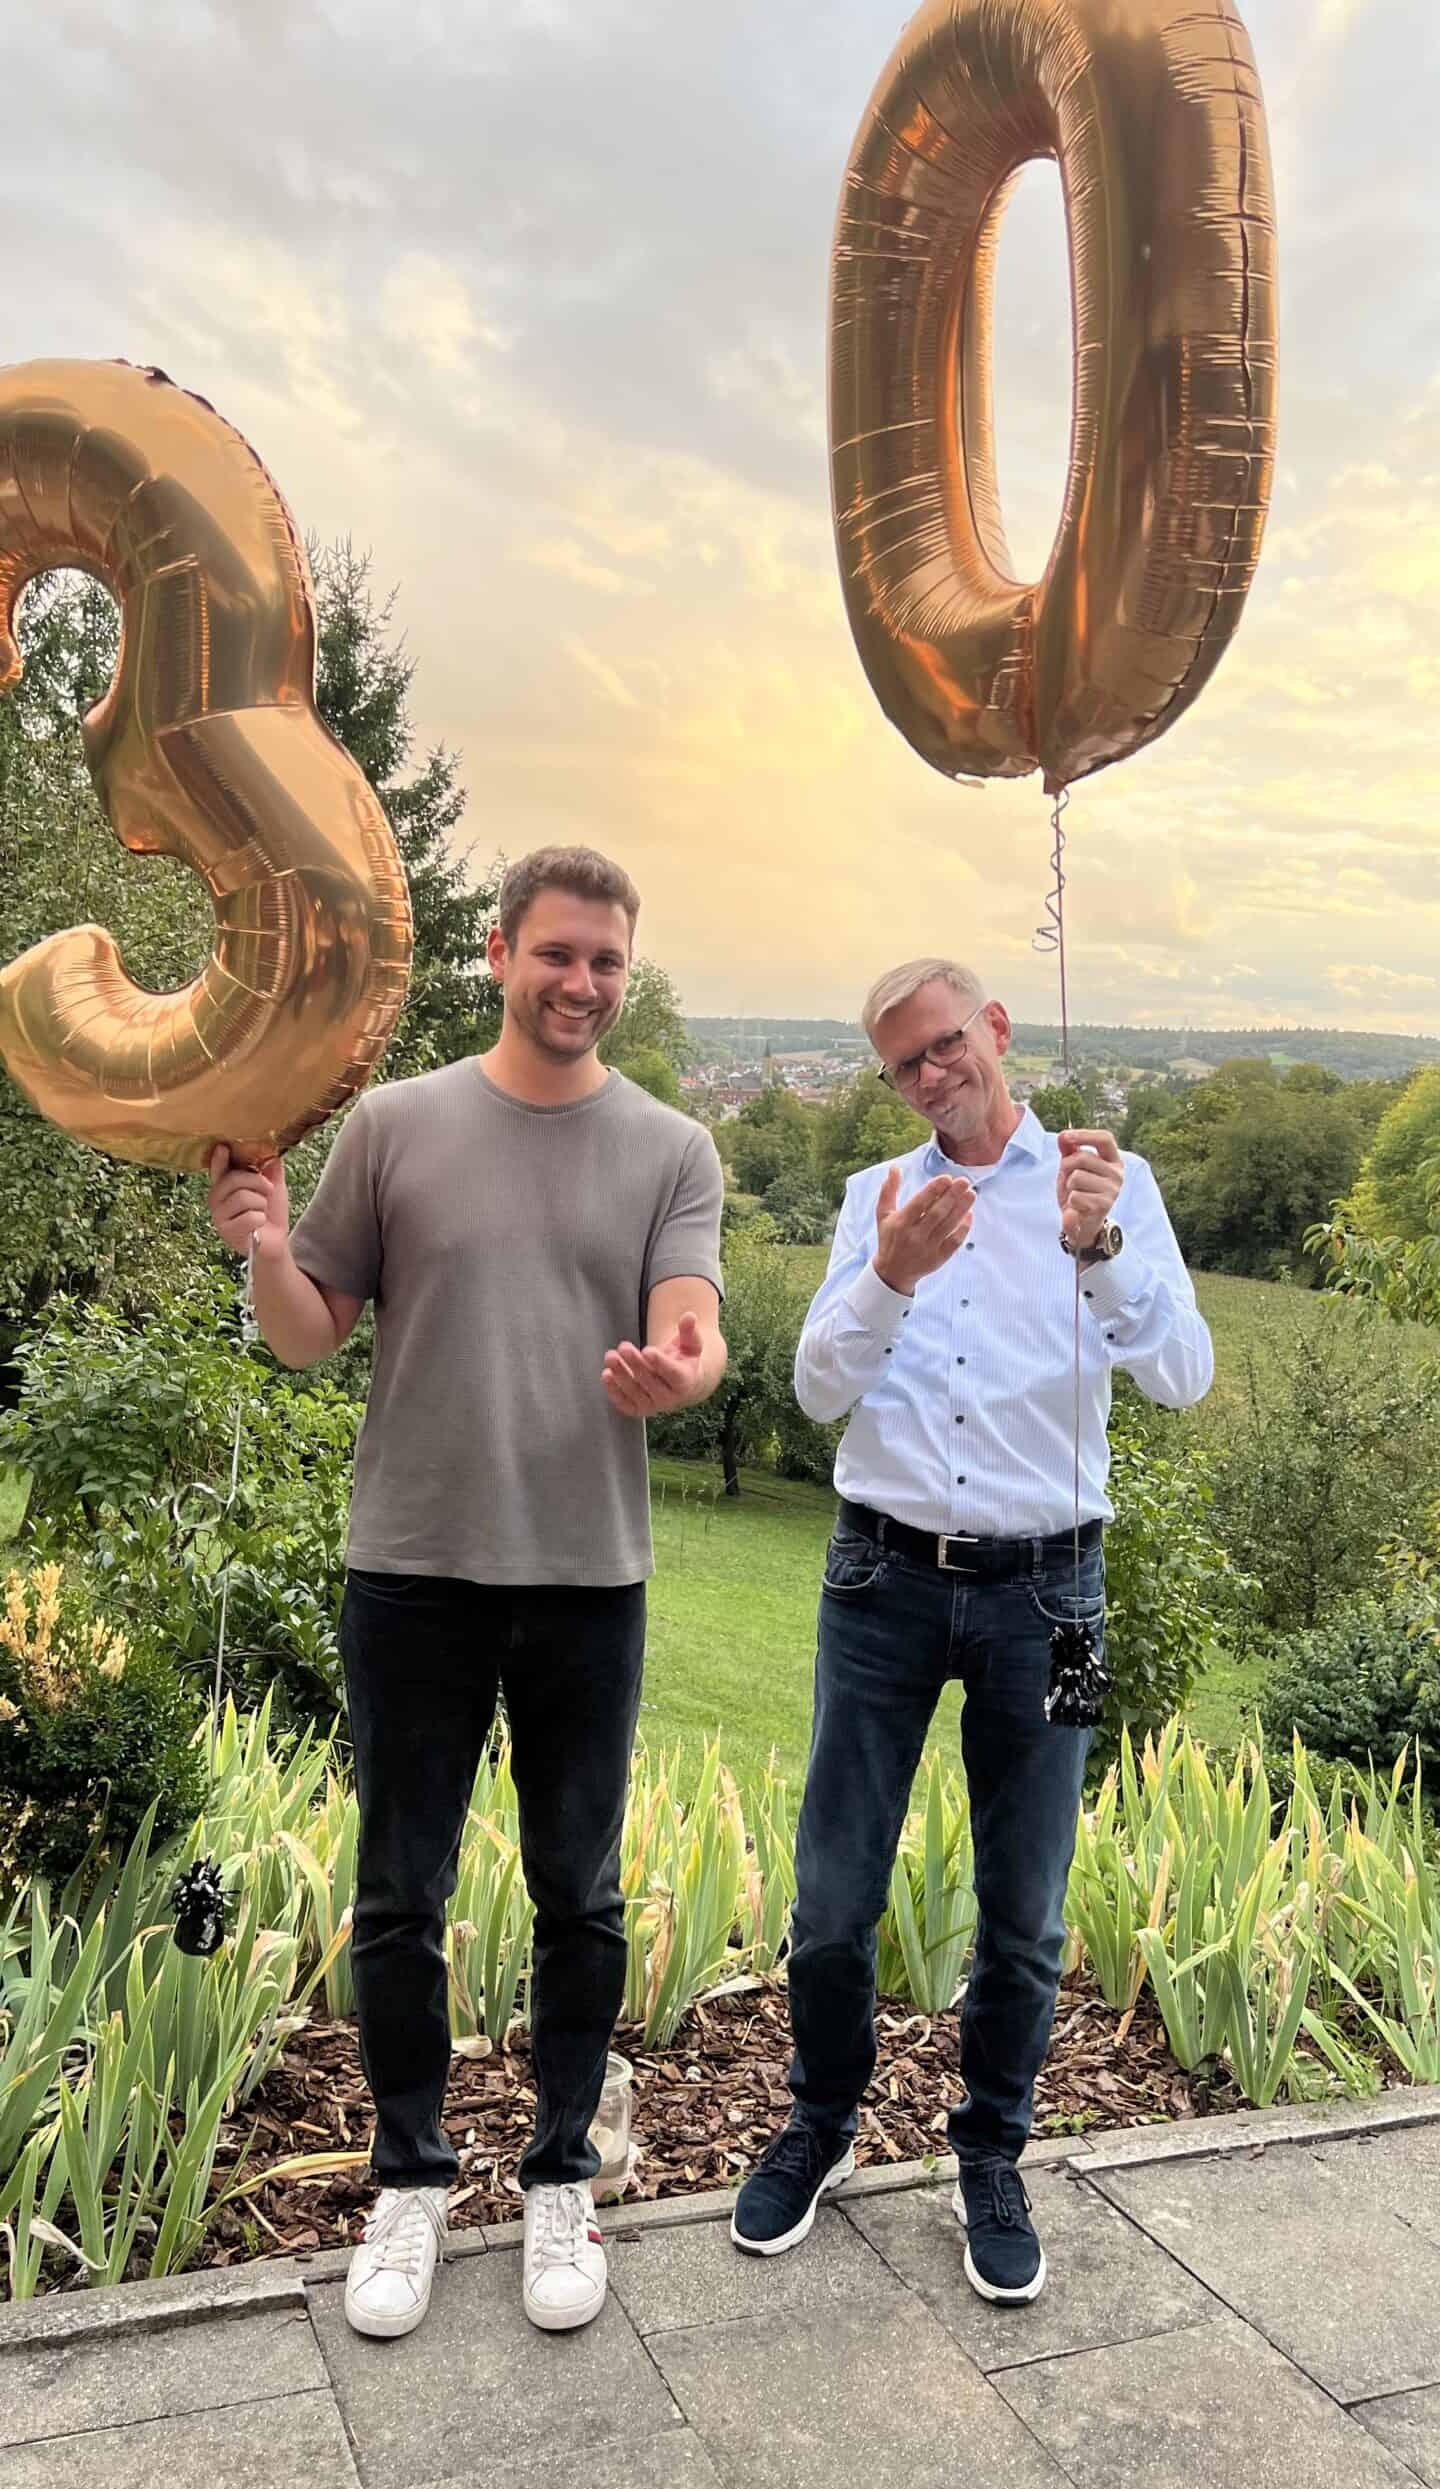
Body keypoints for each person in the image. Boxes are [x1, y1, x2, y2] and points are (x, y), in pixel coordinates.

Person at [208, 846, 726, 2342]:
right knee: (399, 1897)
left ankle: (561, 2173)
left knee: (581, 1895)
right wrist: (261, 1250)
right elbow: (310, 1336)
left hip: (585, 1578)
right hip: (413, 1570)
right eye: (558, 954)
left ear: (627, 975)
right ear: (500, 955)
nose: (582, 983)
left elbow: (692, 1328)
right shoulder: (395, 1123)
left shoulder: (671, 1149)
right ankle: (412, 2182)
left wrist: (675, 1369)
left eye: (608, 963)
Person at [731, 957, 1211, 2303]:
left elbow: (1182, 1378)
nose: (931, 1077)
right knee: (833, 1897)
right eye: (903, 1065)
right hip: (876, 1583)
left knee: (1029, 1907)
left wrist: (1101, 1249)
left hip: (1059, 1598)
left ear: (996, 1030)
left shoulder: (1106, 1185)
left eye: (946, 1046)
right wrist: (886, 1273)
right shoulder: (872, 1200)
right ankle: (817, 2123)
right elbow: (817, 1390)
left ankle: (990, 2152)